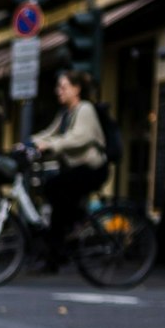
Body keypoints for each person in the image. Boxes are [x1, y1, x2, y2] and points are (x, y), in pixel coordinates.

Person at [29, 69, 111, 271]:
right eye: (58, 87)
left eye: (64, 87)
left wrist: (51, 146)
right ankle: (56, 256)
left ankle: (77, 225)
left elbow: (79, 138)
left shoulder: (85, 109)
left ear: (76, 89)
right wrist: (29, 143)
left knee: (54, 188)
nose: (59, 91)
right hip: (77, 169)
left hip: (93, 168)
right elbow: (49, 133)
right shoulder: (65, 113)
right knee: (56, 206)